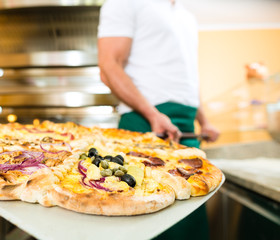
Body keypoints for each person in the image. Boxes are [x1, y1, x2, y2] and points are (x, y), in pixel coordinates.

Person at [97, 0, 219, 239]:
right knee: (147, 219)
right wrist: (153, 114)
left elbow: (187, 76)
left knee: (190, 219)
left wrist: (204, 120)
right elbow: (108, 65)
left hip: (185, 127)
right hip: (144, 123)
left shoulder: (186, 16)